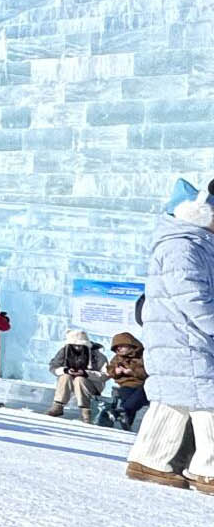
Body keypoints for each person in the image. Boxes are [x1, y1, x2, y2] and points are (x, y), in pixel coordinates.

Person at [125, 184, 214, 490]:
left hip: (181, 339)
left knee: (175, 400)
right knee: (208, 400)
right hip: (187, 340)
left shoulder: (193, 243)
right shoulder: (183, 246)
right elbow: (193, 296)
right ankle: (208, 469)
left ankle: (149, 459)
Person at [43, 329, 106, 419]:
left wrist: (85, 373)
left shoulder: (96, 355)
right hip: (70, 382)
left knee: (80, 379)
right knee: (65, 376)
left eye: (80, 345)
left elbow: (105, 374)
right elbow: (53, 366)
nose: (77, 348)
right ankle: (58, 406)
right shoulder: (64, 352)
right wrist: (65, 370)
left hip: (91, 385)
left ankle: (86, 411)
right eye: (74, 345)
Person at [103, 332, 149, 430]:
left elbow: (148, 372)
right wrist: (116, 371)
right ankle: (126, 419)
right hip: (126, 384)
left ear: (130, 344)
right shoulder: (117, 358)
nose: (118, 349)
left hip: (143, 384)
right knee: (126, 395)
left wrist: (132, 371)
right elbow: (110, 370)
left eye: (121, 346)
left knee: (142, 393)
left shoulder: (143, 356)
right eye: (116, 347)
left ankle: (122, 412)